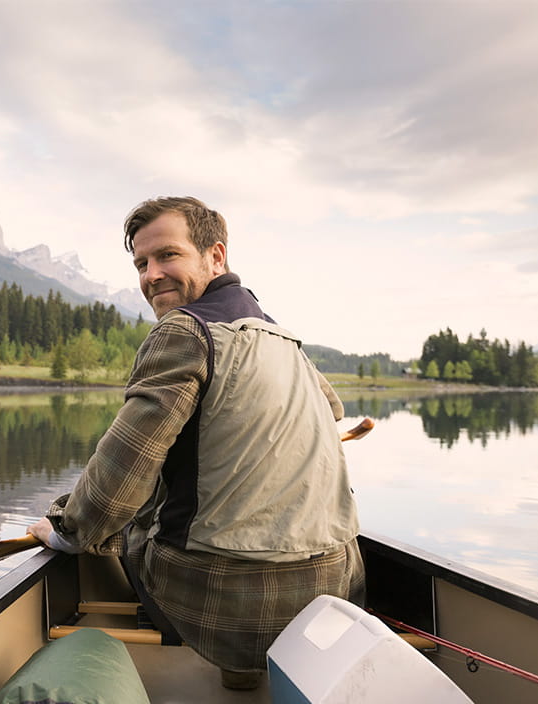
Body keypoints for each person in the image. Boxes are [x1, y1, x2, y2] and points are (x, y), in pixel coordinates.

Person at [28, 196, 363, 690]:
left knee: (131, 511)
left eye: (168, 255)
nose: (151, 275)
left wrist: (64, 528)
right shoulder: (281, 336)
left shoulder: (186, 331)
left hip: (226, 609)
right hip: (336, 590)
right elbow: (333, 412)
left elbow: (118, 483)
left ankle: (232, 661)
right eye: (142, 263)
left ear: (216, 256)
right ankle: (247, 677)